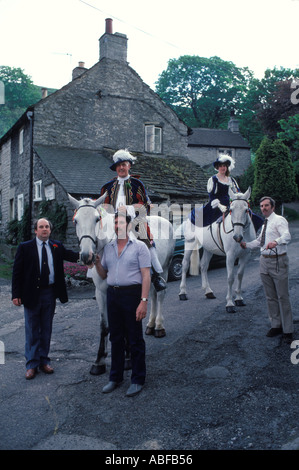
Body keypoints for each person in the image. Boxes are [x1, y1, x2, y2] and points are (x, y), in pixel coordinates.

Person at [12, 218, 79, 379]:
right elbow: (17, 272)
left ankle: (44, 361)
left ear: (50, 230)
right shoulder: (25, 247)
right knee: (32, 330)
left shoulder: (56, 246)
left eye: (46, 227)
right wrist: (16, 294)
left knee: (46, 329)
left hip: (49, 293)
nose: (44, 229)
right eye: (41, 227)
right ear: (36, 230)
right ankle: (31, 364)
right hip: (30, 294)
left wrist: (91, 254)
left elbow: (73, 256)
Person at [95, 211, 151, 397]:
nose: (118, 226)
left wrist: (143, 302)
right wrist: (96, 263)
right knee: (115, 338)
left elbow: (145, 276)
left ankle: (137, 379)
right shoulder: (109, 248)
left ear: (128, 225)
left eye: (121, 223)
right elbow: (104, 275)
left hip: (132, 295)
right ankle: (115, 377)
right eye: (115, 223)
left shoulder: (139, 247)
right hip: (113, 295)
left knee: (135, 338)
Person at [100, 149, 166, 292]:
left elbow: (146, 205)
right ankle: (98, 280)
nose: (121, 168)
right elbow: (103, 206)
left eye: (124, 164)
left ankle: (156, 276)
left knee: (146, 240)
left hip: (135, 220)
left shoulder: (137, 184)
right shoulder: (108, 186)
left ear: (129, 165)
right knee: (99, 240)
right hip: (113, 221)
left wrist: (129, 209)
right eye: (118, 166)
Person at [240, 196, 294, 344]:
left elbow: (287, 236)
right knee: (270, 297)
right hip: (264, 261)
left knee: (282, 296)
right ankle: (276, 325)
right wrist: (246, 245)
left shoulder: (279, 220)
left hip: (278, 261)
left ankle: (288, 330)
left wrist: (275, 242)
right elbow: (260, 241)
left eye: (266, 206)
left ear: (272, 207)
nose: (263, 208)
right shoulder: (265, 224)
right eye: (262, 206)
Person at [189, 154, 263, 232]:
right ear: (217, 167)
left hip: (231, 203)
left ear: (227, 167)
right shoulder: (213, 179)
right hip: (217, 204)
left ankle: (254, 233)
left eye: (224, 166)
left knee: (249, 214)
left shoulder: (232, 180)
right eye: (220, 166)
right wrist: (220, 206)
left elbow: (237, 193)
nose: (223, 168)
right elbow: (212, 196)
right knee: (210, 219)